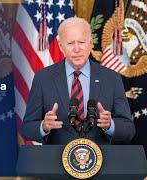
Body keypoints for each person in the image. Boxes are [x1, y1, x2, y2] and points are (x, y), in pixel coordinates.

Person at [22, 17, 135, 145]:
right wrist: (44, 126)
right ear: (61, 46)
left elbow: (129, 129)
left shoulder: (112, 78)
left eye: (81, 42)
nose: (77, 49)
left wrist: (110, 125)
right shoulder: (43, 78)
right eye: (70, 43)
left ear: (91, 44)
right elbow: (27, 129)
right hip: (56, 161)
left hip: (101, 160)